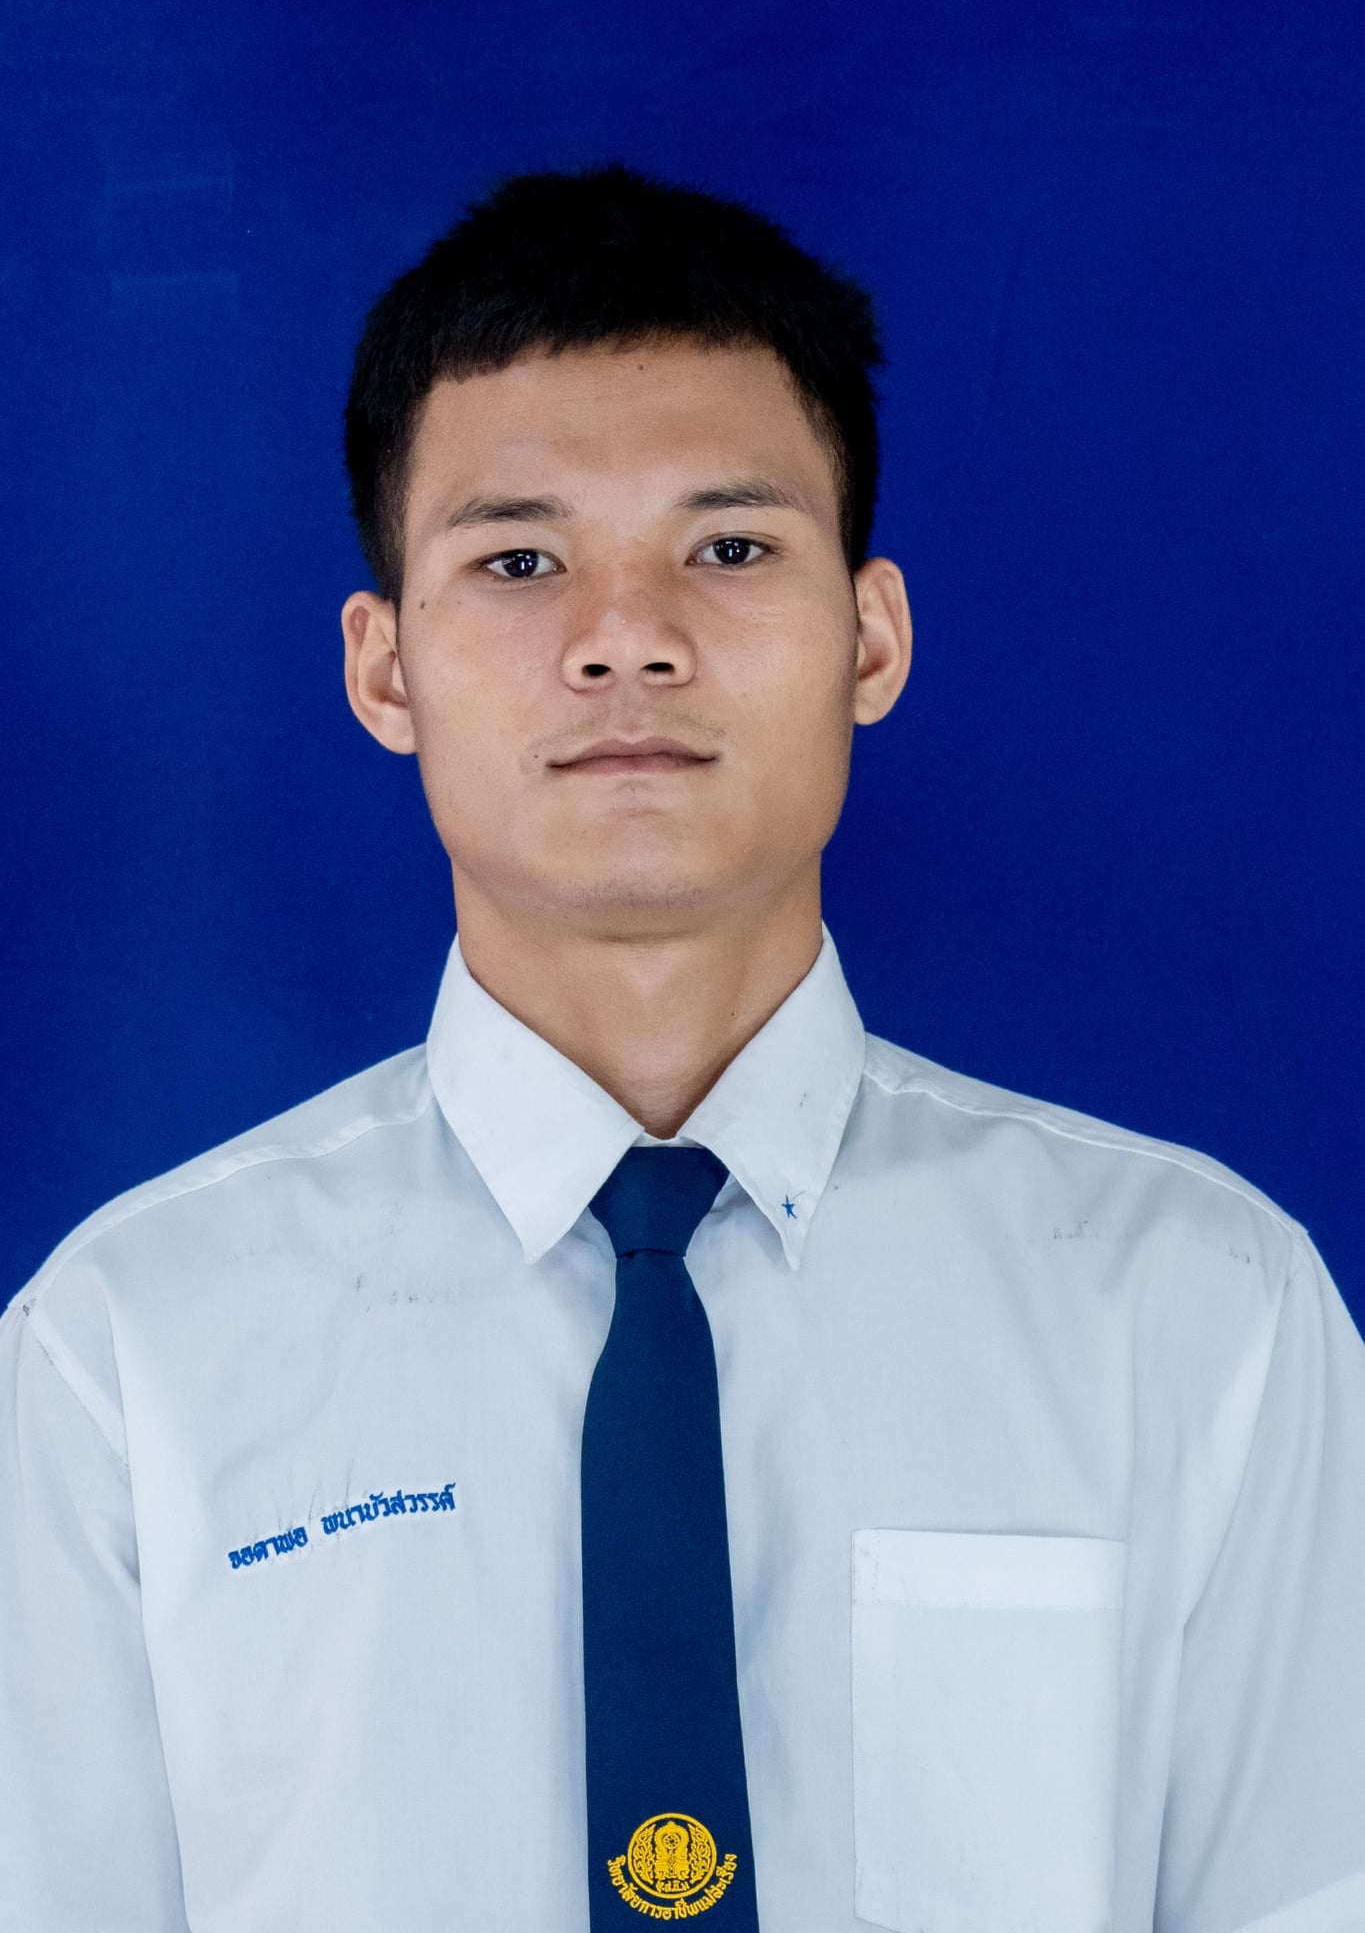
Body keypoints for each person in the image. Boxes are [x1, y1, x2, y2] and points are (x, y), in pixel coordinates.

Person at [1, 164, 1361, 1933]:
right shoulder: (124, 1359)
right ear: (384, 667)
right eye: (517, 560)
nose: (626, 637)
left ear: (869, 636)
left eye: (728, 549)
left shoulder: (1198, 1313)